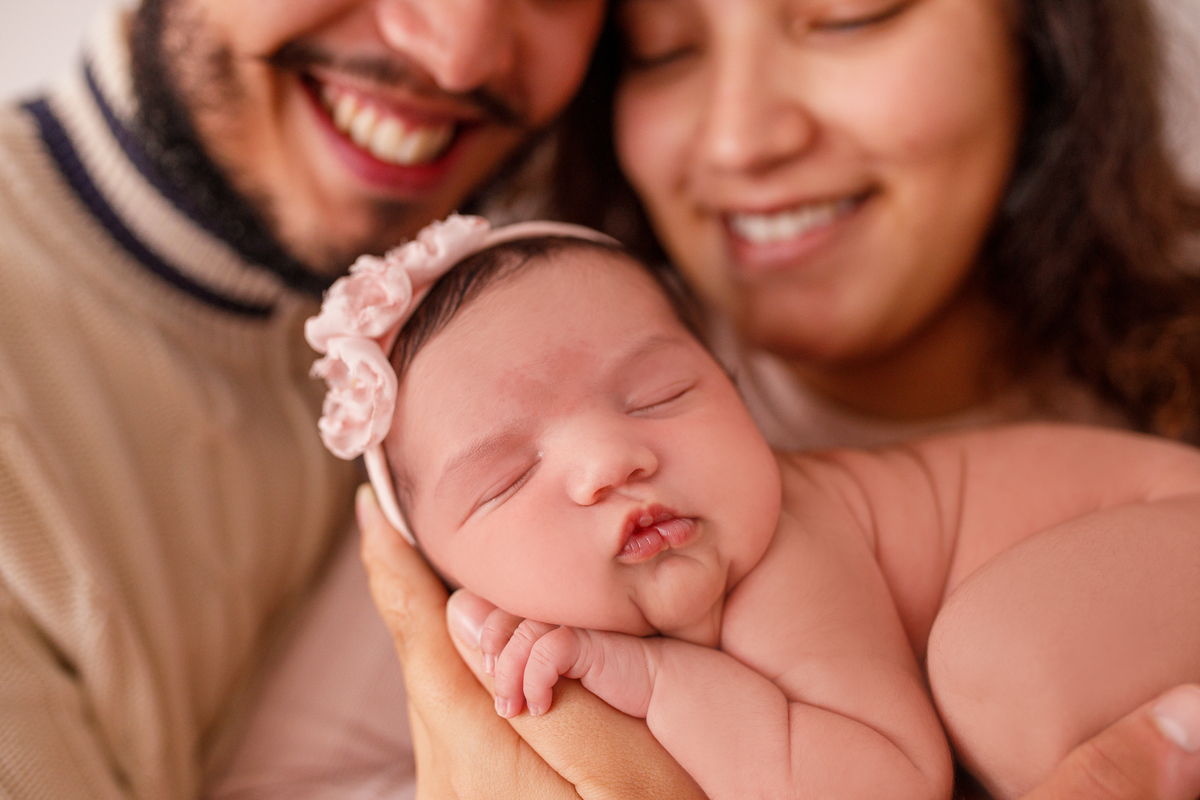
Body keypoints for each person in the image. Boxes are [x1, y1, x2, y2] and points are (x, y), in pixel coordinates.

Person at [0, 0, 1192, 798]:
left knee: (1003, 663)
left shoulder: (761, 509)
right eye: (666, 48)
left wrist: (647, 681)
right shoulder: (492, 379)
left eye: (844, 10)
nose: (744, 136)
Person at [311, 214, 1200, 800]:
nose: (612, 461)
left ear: (738, 397)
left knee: (1001, 665)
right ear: (447, 578)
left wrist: (655, 682)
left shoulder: (783, 555)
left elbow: (884, 784)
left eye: (659, 395)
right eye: (507, 478)